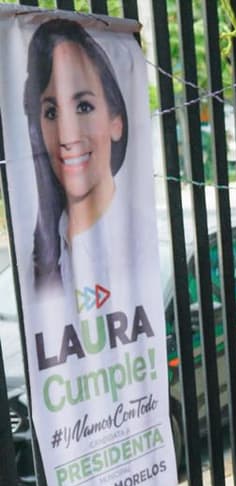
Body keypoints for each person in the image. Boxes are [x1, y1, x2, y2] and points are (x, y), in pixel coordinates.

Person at [24, 18, 129, 295]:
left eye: (83, 106)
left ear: (115, 120)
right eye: (51, 112)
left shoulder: (137, 237)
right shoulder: (41, 251)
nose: (68, 135)